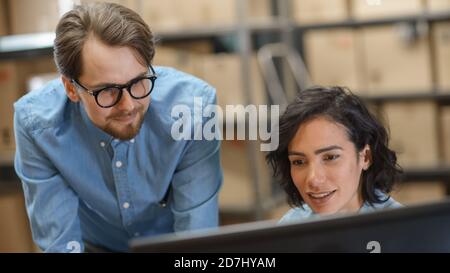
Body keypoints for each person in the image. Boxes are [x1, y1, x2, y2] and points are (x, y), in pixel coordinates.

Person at [13, 3, 222, 252]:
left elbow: (196, 240)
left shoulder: (194, 112)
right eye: (107, 91)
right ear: (71, 88)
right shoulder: (37, 127)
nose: (129, 105)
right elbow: (60, 244)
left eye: (138, 82)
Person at [266, 86, 402, 223]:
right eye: (299, 162)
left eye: (330, 157)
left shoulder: (402, 230)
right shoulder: (289, 228)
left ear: (366, 157)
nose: (313, 179)